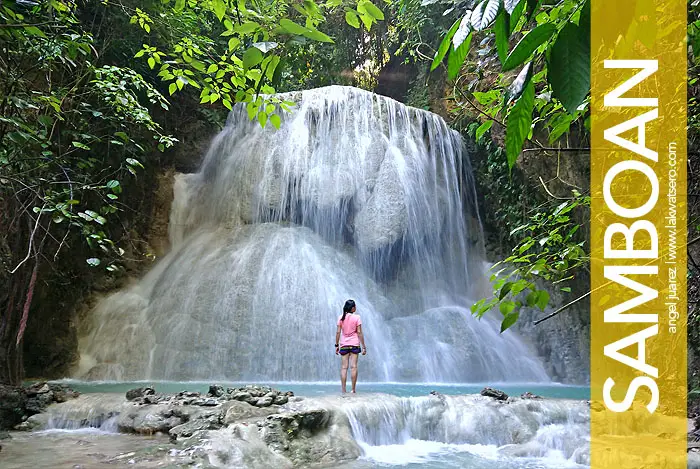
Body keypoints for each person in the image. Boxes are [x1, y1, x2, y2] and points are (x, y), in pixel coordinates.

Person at [334, 299, 367, 394]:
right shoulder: (357, 317)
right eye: (355, 306)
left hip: (344, 344)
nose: (356, 308)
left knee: (344, 368)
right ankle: (353, 389)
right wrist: (364, 346)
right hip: (354, 344)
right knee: (354, 367)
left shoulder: (341, 317)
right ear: (352, 308)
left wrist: (336, 345)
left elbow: (338, 332)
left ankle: (343, 390)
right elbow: (359, 332)